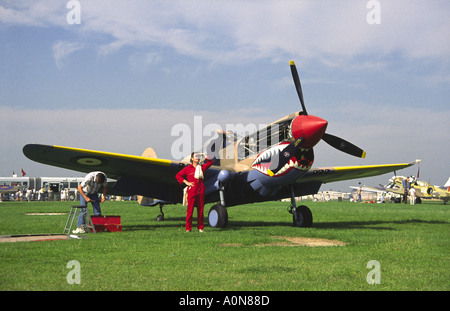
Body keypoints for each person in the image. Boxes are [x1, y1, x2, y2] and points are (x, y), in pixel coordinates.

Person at [175, 152, 213, 232]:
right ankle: (188, 229)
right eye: (196, 156)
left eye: (198, 157)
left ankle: (200, 228)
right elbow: (178, 175)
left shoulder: (202, 167)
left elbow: (210, 162)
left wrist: (204, 155)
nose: (198, 158)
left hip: (201, 190)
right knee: (190, 211)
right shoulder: (188, 168)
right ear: (192, 159)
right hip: (192, 190)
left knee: (201, 211)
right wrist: (186, 182)